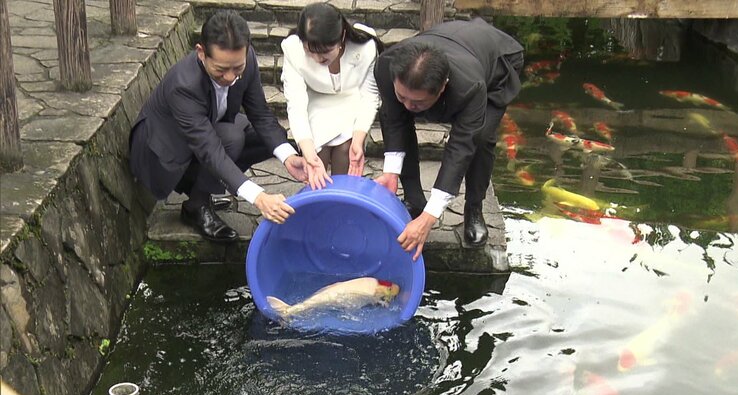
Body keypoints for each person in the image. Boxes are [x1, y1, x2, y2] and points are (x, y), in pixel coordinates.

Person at [129, 10, 307, 243]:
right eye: (221, 70)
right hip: (162, 153)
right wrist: (259, 197)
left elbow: (260, 114)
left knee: (272, 139)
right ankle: (197, 205)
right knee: (231, 138)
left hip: (208, 128)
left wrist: (289, 157)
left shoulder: (246, 58)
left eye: (237, 68)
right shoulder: (184, 86)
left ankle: (207, 187)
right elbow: (209, 150)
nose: (231, 77)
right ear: (201, 53)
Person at [373, 18, 524, 259]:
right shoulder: (386, 65)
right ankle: (414, 200)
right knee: (397, 116)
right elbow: (394, 118)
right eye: (402, 96)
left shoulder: (470, 87)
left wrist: (430, 217)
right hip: (453, 42)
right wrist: (391, 172)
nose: (409, 106)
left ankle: (474, 208)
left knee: (481, 137)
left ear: (442, 87)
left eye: (418, 102)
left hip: (496, 63)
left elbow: (460, 148)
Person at [281, 2, 383, 189]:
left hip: (350, 100)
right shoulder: (292, 49)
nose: (317, 59)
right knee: (316, 155)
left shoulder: (366, 47)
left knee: (346, 149)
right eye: (310, 51)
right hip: (316, 103)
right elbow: (296, 103)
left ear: (342, 36)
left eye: (325, 52)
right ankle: (317, 200)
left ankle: (343, 195)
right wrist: (308, 152)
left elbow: (369, 96)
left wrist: (359, 138)